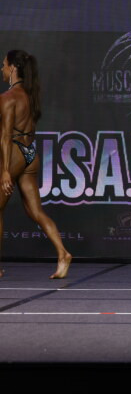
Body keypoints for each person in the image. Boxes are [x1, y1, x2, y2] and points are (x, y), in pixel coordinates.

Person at [0, 50, 71, 279]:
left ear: (13, 68)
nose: (2, 69)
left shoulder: (8, 98)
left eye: (4, 65)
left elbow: (5, 136)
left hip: (15, 153)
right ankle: (63, 253)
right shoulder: (30, 95)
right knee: (35, 211)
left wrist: (5, 171)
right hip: (30, 153)